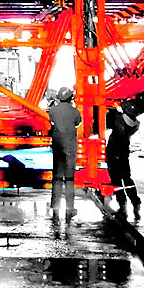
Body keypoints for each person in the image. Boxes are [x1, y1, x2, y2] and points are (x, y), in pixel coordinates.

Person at [48, 86, 82, 218]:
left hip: (57, 146)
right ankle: (70, 207)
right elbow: (78, 122)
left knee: (56, 177)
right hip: (70, 147)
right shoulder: (74, 111)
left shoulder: (53, 110)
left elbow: (51, 122)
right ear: (70, 98)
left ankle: (55, 205)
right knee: (69, 178)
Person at [105, 100, 142, 218]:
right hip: (124, 155)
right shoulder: (135, 123)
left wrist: (112, 106)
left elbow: (109, 120)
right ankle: (135, 202)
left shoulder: (119, 120)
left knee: (116, 182)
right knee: (127, 179)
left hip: (113, 155)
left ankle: (122, 206)